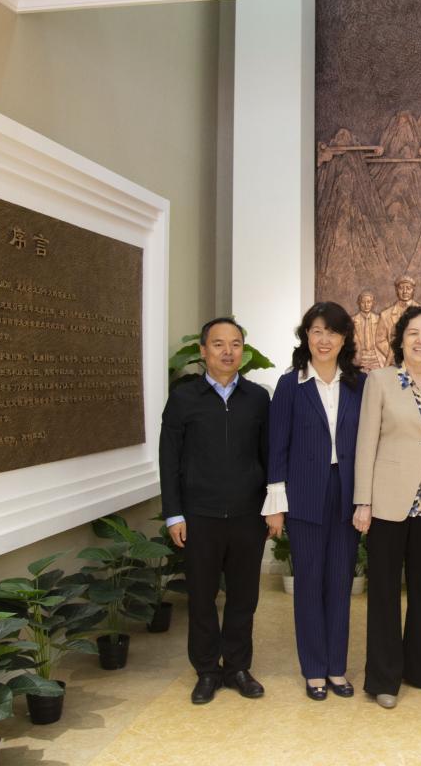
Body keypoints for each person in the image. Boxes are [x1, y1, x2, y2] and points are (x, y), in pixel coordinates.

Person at [159, 317, 271, 705]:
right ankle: (207, 670)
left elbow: (268, 456)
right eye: (219, 344)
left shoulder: (258, 398)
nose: (228, 351)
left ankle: (238, 667)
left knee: (244, 598)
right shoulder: (183, 398)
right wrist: (174, 513)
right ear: (203, 350)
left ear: (243, 351)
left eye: (235, 344)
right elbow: (169, 458)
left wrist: (272, 508)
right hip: (199, 517)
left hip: (247, 516)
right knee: (202, 598)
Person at [353, 306, 421, 709]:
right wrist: (363, 501)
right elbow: (366, 443)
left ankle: (420, 666)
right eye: (413, 332)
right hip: (387, 503)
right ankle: (383, 676)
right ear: (400, 339)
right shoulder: (379, 381)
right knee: (383, 592)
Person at [264, 302, 366, 701]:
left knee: (340, 582)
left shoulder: (359, 383)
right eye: (317, 331)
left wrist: (367, 498)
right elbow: (277, 446)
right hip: (305, 493)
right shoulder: (291, 384)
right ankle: (314, 670)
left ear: (344, 338)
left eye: (333, 332)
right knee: (308, 583)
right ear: (306, 336)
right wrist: (276, 503)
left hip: (347, 493)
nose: (324, 340)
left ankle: (336, 667)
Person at [377, 276, 420, 364]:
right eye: (401, 288)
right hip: (394, 362)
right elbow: (380, 340)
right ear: (396, 290)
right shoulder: (385, 315)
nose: (405, 291)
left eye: (408, 288)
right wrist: (396, 357)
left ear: (413, 290)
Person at [352, 289, 385, 371]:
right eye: (363, 302)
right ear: (359, 303)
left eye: (369, 302)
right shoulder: (352, 320)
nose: (366, 305)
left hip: (376, 356)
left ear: (373, 303)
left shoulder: (379, 319)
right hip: (360, 357)